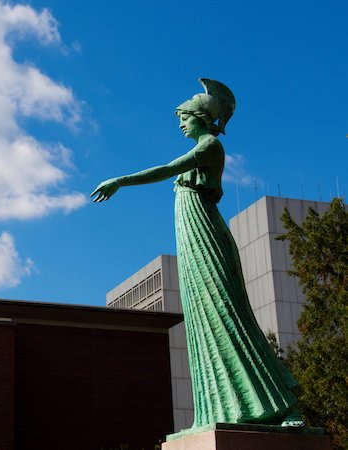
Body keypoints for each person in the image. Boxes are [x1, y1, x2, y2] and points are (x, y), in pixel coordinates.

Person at [91, 79, 303, 431]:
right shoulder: (203, 145)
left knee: (225, 313)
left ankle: (281, 405)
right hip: (192, 237)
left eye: (184, 117)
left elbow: (165, 170)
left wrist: (120, 181)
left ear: (201, 118)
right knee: (204, 320)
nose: (180, 124)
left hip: (206, 235)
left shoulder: (209, 147)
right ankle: (219, 412)